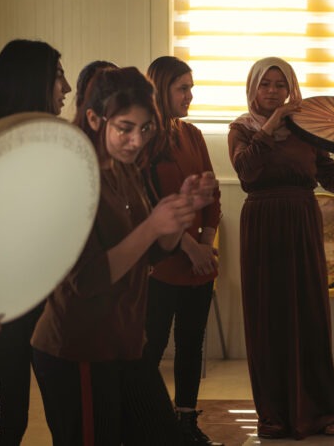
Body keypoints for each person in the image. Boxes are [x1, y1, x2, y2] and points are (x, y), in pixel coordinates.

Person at [31, 66, 216, 444]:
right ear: (95, 119)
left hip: (125, 341)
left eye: (145, 129)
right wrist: (153, 226)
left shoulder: (123, 168)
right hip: (79, 347)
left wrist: (177, 213)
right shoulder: (74, 176)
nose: (135, 141)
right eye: (125, 128)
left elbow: (150, 254)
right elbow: (86, 280)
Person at [228, 57, 334, 439]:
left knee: (309, 315)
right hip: (261, 224)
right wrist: (270, 127)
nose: (273, 91)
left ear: (292, 89)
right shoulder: (240, 129)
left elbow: (333, 179)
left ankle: (322, 413)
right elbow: (246, 173)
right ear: (253, 88)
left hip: (302, 220)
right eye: (265, 84)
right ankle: (273, 415)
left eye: (281, 84)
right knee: (266, 318)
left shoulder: (307, 130)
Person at [0, 39, 71, 446]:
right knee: (10, 418)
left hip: (57, 301)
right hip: (2, 305)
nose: (66, 87)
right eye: (57, 76)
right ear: (29, 81)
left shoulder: (59, 142)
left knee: (68, 418)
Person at [143, 56, 222, 445]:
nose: (191, 95)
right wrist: (188, 246)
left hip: (198, 264)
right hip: (163, 264)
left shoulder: (191, 134)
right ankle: (148, 423)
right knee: (151, 347)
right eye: (183, 88)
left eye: (191, 88)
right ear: (161, 89)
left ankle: (186, 421)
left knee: (192, 344)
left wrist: (205, 243)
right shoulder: (143, 139)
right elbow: (151, 203)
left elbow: (212, 192)